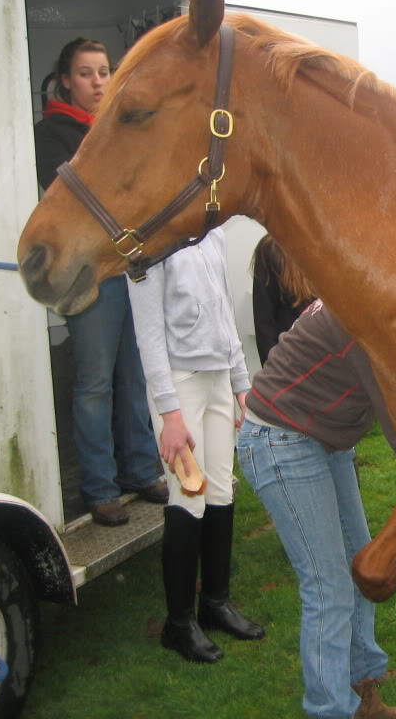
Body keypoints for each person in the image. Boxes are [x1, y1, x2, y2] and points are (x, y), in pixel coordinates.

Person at [238, 298, 396, 719]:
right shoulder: (362, 312)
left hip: (326, 437)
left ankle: (363, 698)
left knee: (362, 567)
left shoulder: (372, 295)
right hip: (281, 439)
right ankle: (331, 710)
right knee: (328, 586)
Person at [33, 37, 166, 527]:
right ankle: (100, 488)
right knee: (93, 383)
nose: (97, 82)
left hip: (133, 270)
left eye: (104, 72)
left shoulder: (117, 127)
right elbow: (75, 200)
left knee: (135, 374)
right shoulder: (53, 135)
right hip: (93, 274)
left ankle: (139, 468)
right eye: (86, 73)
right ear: (65, 80)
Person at [127, 228, 264, 663]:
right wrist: (169, 414)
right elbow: (148, 335)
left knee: (221, 489)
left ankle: (215, 603)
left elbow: (224, 310)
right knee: (190, 496)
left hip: (219, 378)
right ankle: (179, 624)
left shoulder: (214, 232)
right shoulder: (146, 241)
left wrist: (241, 382)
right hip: (180, 387)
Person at [251, 234, 317, 366]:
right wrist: (273, 372)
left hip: (330, 362)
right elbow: (264, 322)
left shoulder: (326, 243)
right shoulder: (270, 249)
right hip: (292, 365)